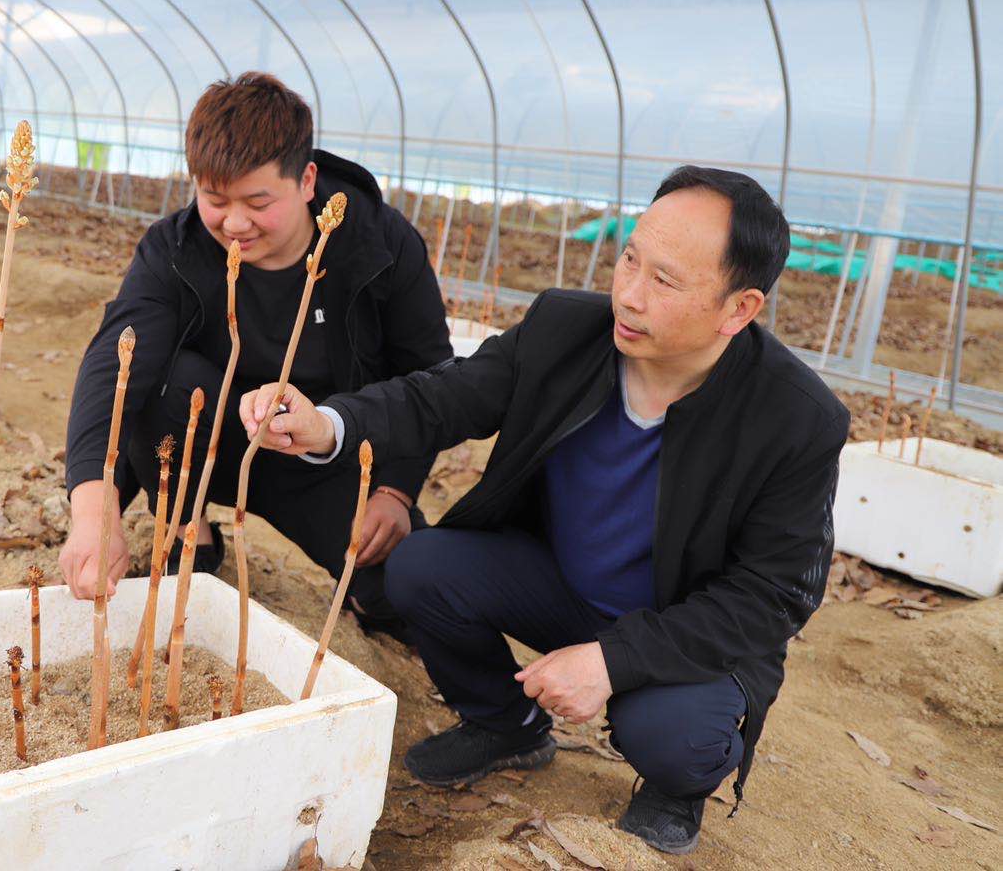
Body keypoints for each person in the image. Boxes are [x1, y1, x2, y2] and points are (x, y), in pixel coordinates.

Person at [238, 167, 849, 855]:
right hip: (561, 586)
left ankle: (674, 789)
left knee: (676, 739)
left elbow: (772, 597)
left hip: (681, 629)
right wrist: (328, 423)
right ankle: (508, 725)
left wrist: (612, 663)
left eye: (665, 281)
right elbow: (444, 396)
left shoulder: (795, 419)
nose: (630, 294)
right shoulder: (568, 329)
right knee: (418, 565)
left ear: (738, 309)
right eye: (628, 260)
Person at [58, 72, 453, 636]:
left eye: (257, 202)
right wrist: (96, 509)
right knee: (169, 381)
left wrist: (395, 488)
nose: (234, 224)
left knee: (403, 597)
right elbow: (114, 366)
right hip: (205, 438)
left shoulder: (379, 246)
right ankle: (189, 528)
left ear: (307, 180)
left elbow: (428, 375)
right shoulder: (175, 247)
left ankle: (370, 591)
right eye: (215, 199)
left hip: (324, 450)